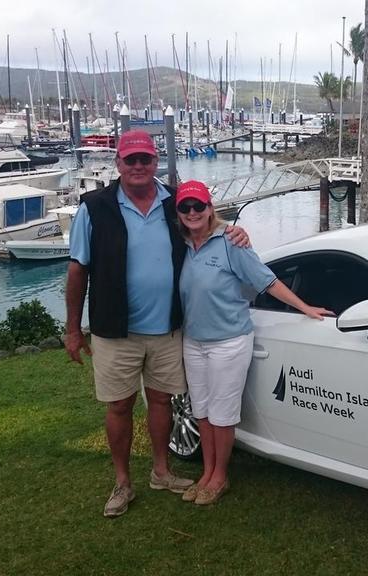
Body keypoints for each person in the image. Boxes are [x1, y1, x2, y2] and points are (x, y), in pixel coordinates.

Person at [64, 130, 250, 518]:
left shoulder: (174, 203)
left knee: (162, 400)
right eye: (130, 160)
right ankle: (122, 482)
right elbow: (78, 269)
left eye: (145, 160)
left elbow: (205, 222)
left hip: (167, 327)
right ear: (118, 163)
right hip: (116, 330)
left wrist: (236, 230)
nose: (137, 167)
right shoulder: (94, 208)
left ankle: (161, 472)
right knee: (119, 405)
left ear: (155, 163)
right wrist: (72, 328)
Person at [174, 180, 332, 506]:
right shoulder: (181, 245)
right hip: (194, 341)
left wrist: (303, 307)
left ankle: (220, 476)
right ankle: (206, 472)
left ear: (209, 208)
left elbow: (266, 280)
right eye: (185, 207)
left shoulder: (232, 242)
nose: (192, 213)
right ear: (178, 212)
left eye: (198, 206)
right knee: (201, 409)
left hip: (229, 340)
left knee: (222, 412)